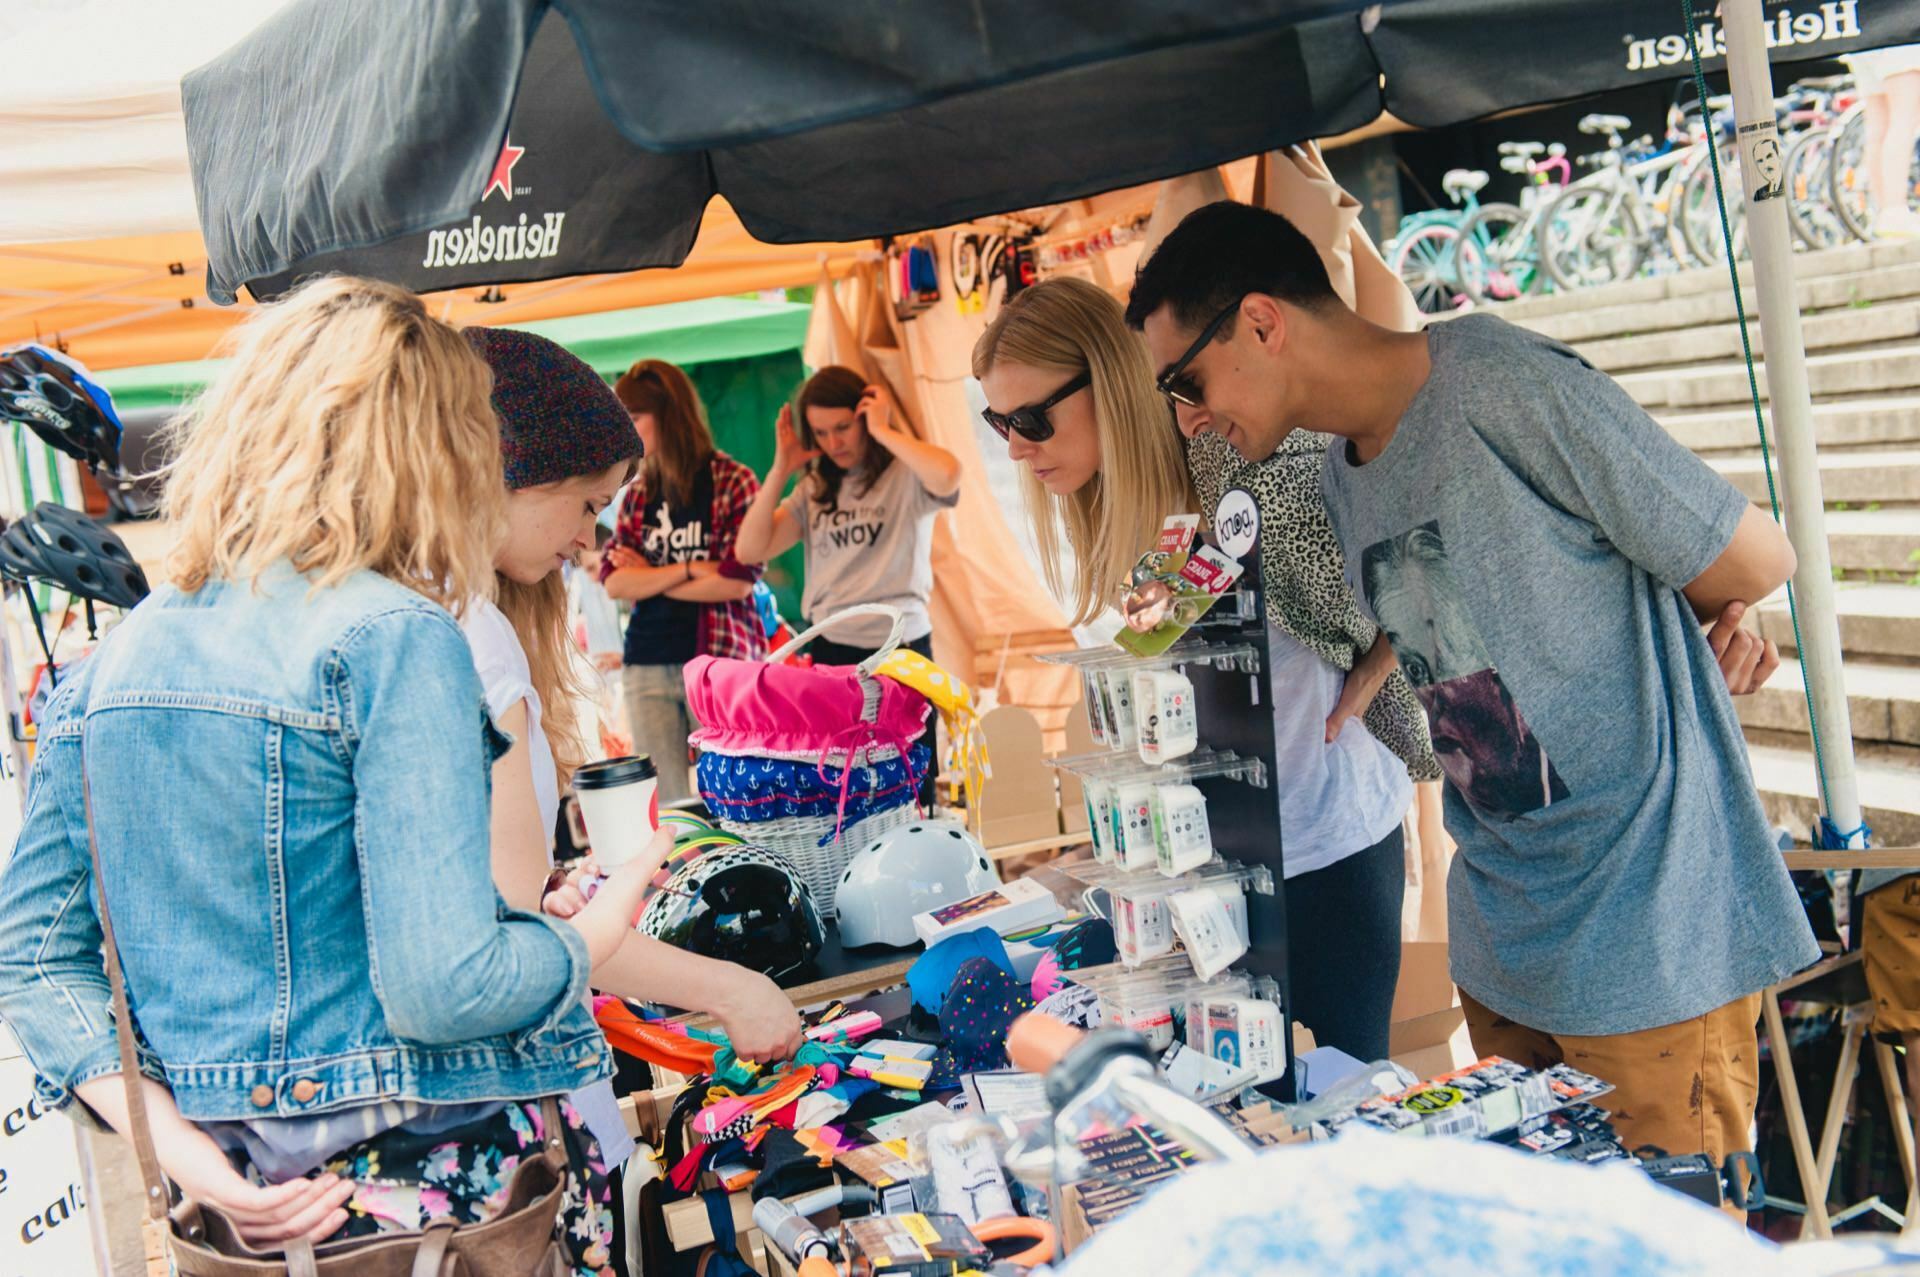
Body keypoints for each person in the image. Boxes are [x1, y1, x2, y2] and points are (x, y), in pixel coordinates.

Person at [1125, 201, 1817, 1189]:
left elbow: (1753, 553)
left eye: (1185, 381)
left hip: (1644, 934)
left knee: (1676, 1248)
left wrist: (1728, 614)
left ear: (1264, 321)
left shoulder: (1497, 382)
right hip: (1503, 939)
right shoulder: (1339, 479)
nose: (1189, 418)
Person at [0, 278, 660, 1269]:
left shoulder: (108, 669)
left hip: (246, 1222)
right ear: (424, 447)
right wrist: (604, 915)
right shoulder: (396, 638)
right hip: (443, 1208)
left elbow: (35, 958)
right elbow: (446, 985)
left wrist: (183, 1154)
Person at [974, 276, 1433, 1062]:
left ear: (1111, 383)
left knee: (1343, 1100)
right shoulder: (1104, 506)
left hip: (1323, 850)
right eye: (998, 421)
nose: (1016, 445)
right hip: (1200, 870)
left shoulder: (1241, 455)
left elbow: (1419, 537)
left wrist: (1384, 657)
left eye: (1030, 418)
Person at [733, 367, 962, 803]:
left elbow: (949, 474)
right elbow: (749, 550)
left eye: (843, 428)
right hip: (835, 652)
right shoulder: (815, 487)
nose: (833, 443)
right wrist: (782, 467)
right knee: (843, 780)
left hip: (902, 649)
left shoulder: (904, 473)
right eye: (820, 433)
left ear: (864, 416)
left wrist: (884, 430)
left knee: (915, 775)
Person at [601, 360, 763, 805]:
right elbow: (615, 583)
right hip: (647, 663)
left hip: (717, 664)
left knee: (735, 793)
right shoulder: (637, 491)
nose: (626, 429)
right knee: (668, 807)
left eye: (634, 417)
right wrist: (693, 570)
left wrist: (648, 576)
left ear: (668, 414)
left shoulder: (732, 479)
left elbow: (737, 581)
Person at [1847, 45, 1920, 238]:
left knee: (1878, 126)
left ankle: (1886, 211)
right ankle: (1895, 210)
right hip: (1900, 35)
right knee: (1903, 118)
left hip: (1867, 35)